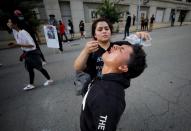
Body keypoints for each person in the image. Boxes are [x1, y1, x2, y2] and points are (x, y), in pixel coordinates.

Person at [80, 41, 147, 131]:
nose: (115, 46)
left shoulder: (108, 98)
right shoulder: (104, 78)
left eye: (121, 49)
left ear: (123, 67)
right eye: (119, 46)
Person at [74, 18, 150, 95]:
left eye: (107, 29)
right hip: (96, 90)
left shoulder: (118, 46)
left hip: (114, 89)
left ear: (110, 31)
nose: (104, 31)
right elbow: (78, 67)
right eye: (100, 30)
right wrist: (85, 51)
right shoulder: (91, 50)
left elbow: (136, 50)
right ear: (95, 34)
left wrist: (139, 35)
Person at [7, 16, 53, 90]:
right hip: (27, 54)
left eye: (9, 22)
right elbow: (11, 30)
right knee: (30, 69)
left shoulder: (23, 32)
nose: (8, 23)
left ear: (15, 24)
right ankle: (31, 84)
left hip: (32, 53)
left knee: (40, 68)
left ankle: (49, 79)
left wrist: (17, 45)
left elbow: (32, 45)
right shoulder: (17, 33)